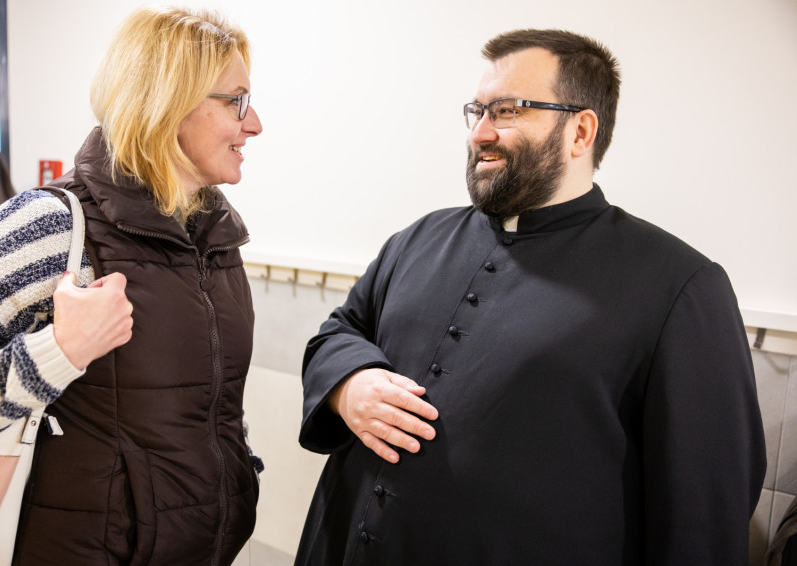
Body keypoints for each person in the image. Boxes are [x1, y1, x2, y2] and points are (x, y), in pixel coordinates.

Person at [296, 29, 766, 565]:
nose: (480, 132)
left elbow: (703, 517)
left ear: (580, 131)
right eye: (477, 110)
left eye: (508, 111)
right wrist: (350, 385)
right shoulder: (418, 238)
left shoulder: (681, 287)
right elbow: (338, 332)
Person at [0, 6, 262, 565]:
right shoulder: (49, 224)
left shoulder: (215, 237)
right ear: (168, 102)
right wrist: (59, 351)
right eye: (236, 100)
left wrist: (234, 468)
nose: (254, 123)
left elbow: (208, 402)